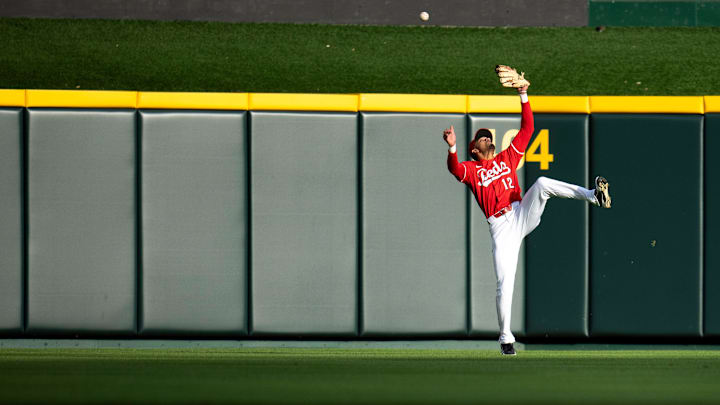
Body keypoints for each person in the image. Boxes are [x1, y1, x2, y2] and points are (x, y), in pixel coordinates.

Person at [442, 84, 611, 356]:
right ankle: (506, 339)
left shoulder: (506, 157)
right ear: (473, 149)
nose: (487, 139)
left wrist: (523, 95)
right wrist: (452, 148)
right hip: (500, 228)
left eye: (487, 137)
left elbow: (528, 129)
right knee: (504, 282)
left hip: (521, 212)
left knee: (543, 182)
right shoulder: (472, 170)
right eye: (482, 139)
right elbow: (454, 169)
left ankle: (593, 196)